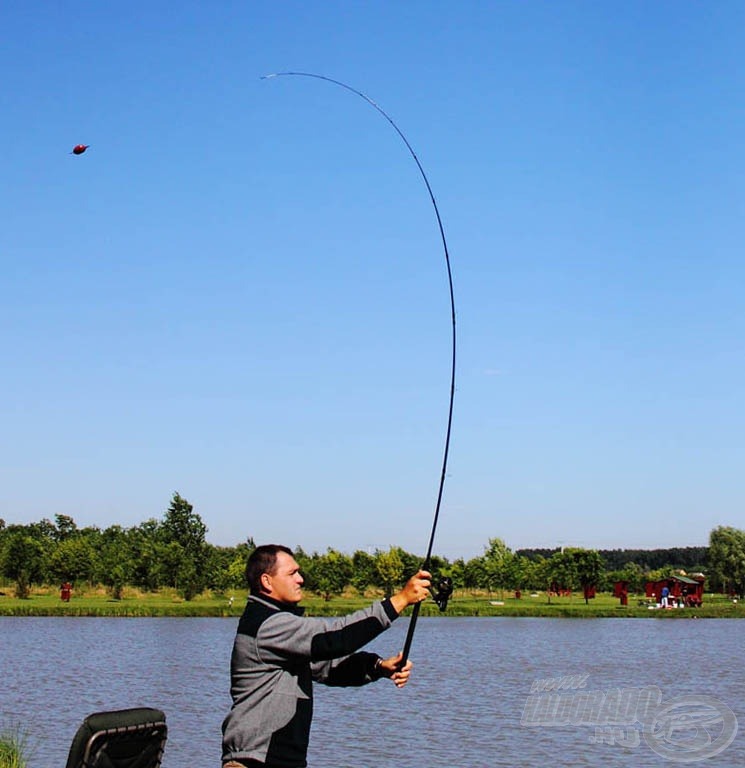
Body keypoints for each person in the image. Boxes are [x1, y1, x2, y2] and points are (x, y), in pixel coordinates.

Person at [221, 544, 431, 768]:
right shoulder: (267, 625)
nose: (301, 579)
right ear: (266, 581)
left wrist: (378, 667)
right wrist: (400, 600)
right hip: (255, 761)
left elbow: (329, 668)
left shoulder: (277, 628)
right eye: (292, 573)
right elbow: (334, 639)